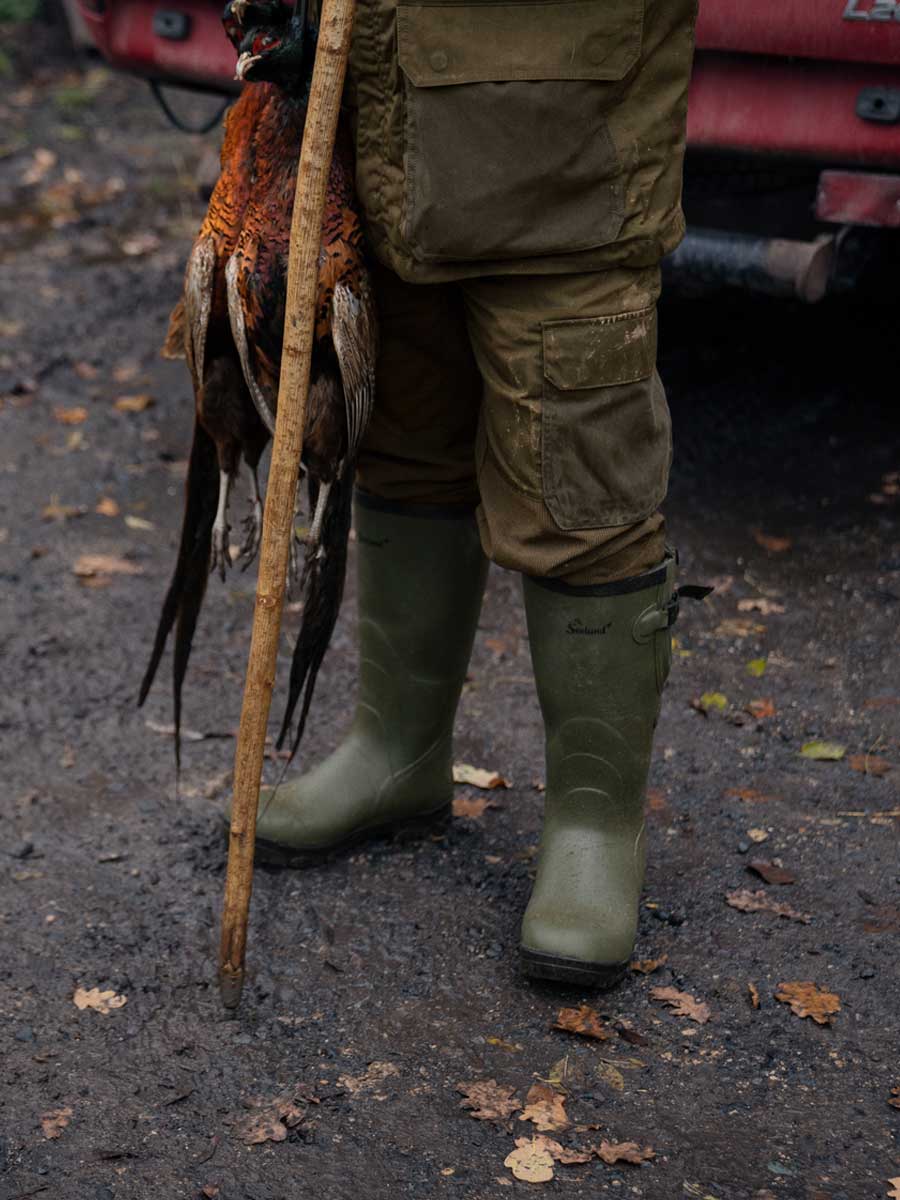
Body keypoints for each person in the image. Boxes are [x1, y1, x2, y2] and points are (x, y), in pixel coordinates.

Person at [248, 0, 701, 988]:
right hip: (381, 141)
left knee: (584, 499)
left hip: (566, 161)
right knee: (404, 449)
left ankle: (593, 826)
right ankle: (398, 752)